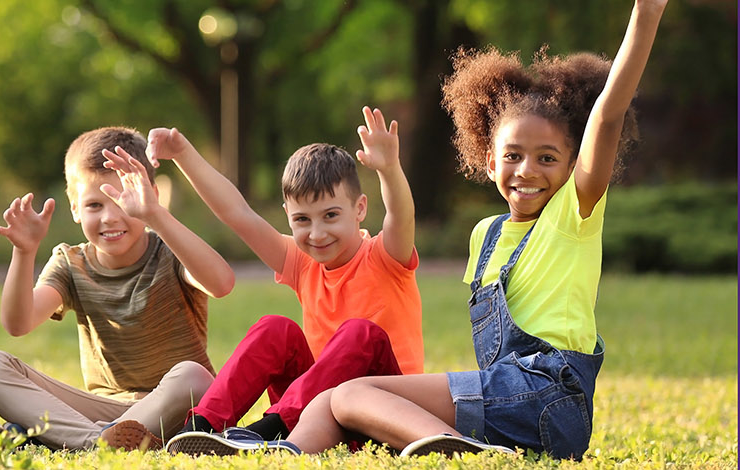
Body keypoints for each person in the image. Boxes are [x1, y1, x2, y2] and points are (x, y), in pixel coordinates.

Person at [259, 0, 665, 459]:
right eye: (512, 155)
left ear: (573, 166)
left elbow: (607, 115)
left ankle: (457, 448)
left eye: (547, 158)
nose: (527, 170)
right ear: (490, 161)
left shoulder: (574, 213)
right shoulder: (485, 235)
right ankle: (281, 451)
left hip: (551, 394)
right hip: (506, 405)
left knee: (352, 393)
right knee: (341, 397)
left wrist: (646, 14)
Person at [154, 107, 423, 455]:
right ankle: (201, 429)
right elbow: (238, 214)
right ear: (287, 217)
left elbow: (401, 216)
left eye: (330, 216)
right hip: (319, 412)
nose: (317, 233)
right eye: (302, 220)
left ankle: (271, 430)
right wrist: (182, 154)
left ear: (359, 209)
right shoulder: (302, 262)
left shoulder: (385, 256)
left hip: (382, 408)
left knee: (361, 333)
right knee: (274, 328)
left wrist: (389, 169)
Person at [0, 127, 234, 451]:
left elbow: (221, 284)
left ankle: (77, 437)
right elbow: (18, 323)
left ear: (151, 194)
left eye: (123, 199)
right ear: (75, 208)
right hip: (102, 413)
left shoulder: (171, 251)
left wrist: (157, 216)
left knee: (195, 378)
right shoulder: (71, 263)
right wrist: (24, 252)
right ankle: (97, 442)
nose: (110, 217)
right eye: (95, 204)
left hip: (175, 408)